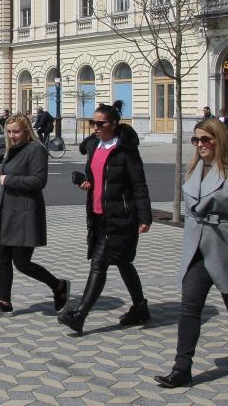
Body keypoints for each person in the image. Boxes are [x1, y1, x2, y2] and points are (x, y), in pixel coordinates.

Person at [155, 118, 228, 389]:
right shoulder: (195, 168)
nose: (200, 145)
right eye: (196, 140)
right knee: (189, 308)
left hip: (227, 250)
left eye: (206, 139)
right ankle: (182, 368)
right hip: (197, 251)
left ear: (220, 140)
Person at [58, 103, 152, 335]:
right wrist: (84, 181)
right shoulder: (93, 145)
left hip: (120, 216)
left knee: (99, 264)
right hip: (98, 214)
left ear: (113, 124)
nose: (95, 128)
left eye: (100, 124)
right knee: (123, 262)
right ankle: (140, 307)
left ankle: (80, 315)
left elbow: (139, 184)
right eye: (93, 123)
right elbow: (95, 177)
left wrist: (145, 216)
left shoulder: (125, 149)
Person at [0, 113, 70, 318]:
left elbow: (39, 181)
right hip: (8, 211)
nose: (12, 135)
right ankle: (4, 302)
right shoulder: (11, 149)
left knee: (22, 263)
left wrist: (9, 180)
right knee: (2, 258)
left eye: (16, 131)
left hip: (26, 212)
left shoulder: (36, 149)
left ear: (26, 131)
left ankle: (58, 286)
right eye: (9, 131)